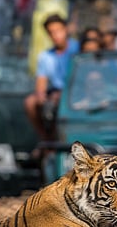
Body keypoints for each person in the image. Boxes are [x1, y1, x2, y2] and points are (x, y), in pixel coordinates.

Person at [24, 14, 80, 143]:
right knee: (31, 102)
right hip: (55, 93)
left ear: (66, 29)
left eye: (58, 30)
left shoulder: (77, 48)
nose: (56, 35)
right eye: (51, 32)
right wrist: (42, 97)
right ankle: (46, 140)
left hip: (75, 92)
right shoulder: (45, 56)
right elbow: (40, 85)